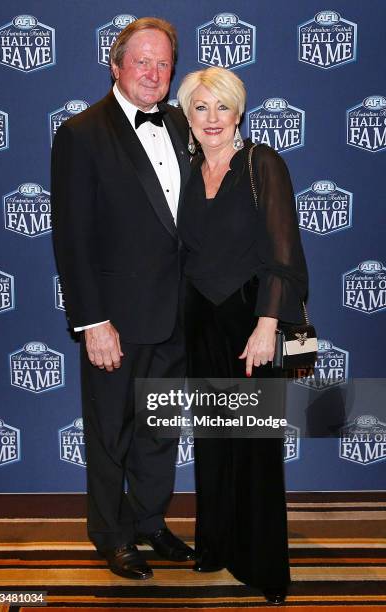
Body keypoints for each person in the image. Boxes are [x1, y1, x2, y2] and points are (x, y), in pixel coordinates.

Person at [51, 17, 193, 580]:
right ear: (116, 65)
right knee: (110, 431)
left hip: (179, 311)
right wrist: (92, 321)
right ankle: (111, 535)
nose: (154, 73)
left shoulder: (185, 123)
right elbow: (72, 237)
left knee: (159, 431)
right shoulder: (81, 133)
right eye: (143, 61)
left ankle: (150, 522)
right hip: (116, 316)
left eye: (163, 64)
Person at [177, 67, 308, 604]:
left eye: (222, 107)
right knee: (212, 440)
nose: (212, 119)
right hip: (199, 319)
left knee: (253, 445)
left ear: (239, 112)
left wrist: (267, 325)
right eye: (200, 107)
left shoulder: (262, 164)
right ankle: (217, 545)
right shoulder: (183, 169)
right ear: (187, 114)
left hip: (253, 320)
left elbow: (284, 253)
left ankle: (265, 566)